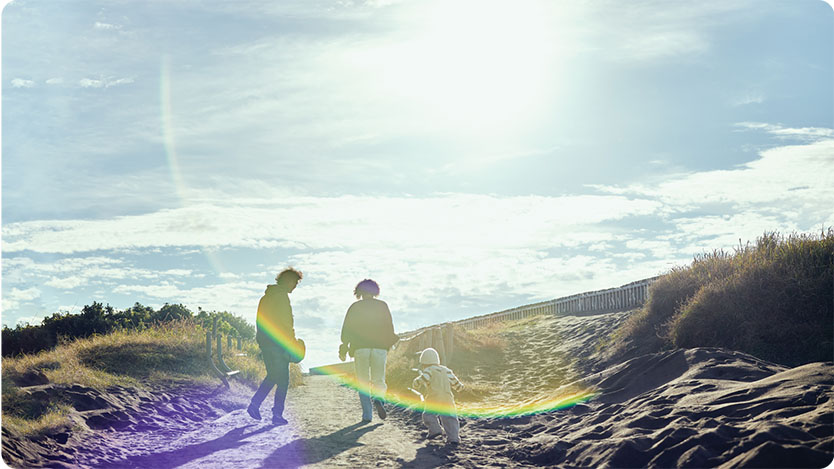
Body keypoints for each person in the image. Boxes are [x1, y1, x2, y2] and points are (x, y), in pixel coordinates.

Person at [247, 267, 303, 426]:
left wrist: (261, 341)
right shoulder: (282, 297)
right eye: (294, 283)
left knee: (272, 376)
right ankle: (277, 415)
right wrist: (291, 342)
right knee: (283, 380)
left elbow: (259, 322)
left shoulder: (265, 298)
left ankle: (254, 404)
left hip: (266, 343)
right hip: (279, 344)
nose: (295, 286)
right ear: (287, 281)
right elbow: (286, 323)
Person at [339, 279, 399, 423]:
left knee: (363, 382)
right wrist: (389, 343)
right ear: (375, 291)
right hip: (379, 348)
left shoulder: (355, 307)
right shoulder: (382, 306)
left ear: (359, 292)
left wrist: (344, 346)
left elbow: (347, 329)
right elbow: (389, 327)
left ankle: (367, 415)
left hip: (361, 348)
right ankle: (379, 399)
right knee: (379, 379)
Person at [412, 347, 463, 445]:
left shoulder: (428, 370)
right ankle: (454, 438)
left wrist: (416, 383)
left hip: (434, 397)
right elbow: (455, 382)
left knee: (428, 414)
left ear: (423, 363)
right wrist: (460, 388)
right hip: (447, 398)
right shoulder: (446, 370)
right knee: (450, 417)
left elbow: (423, 379)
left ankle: (435, 429)